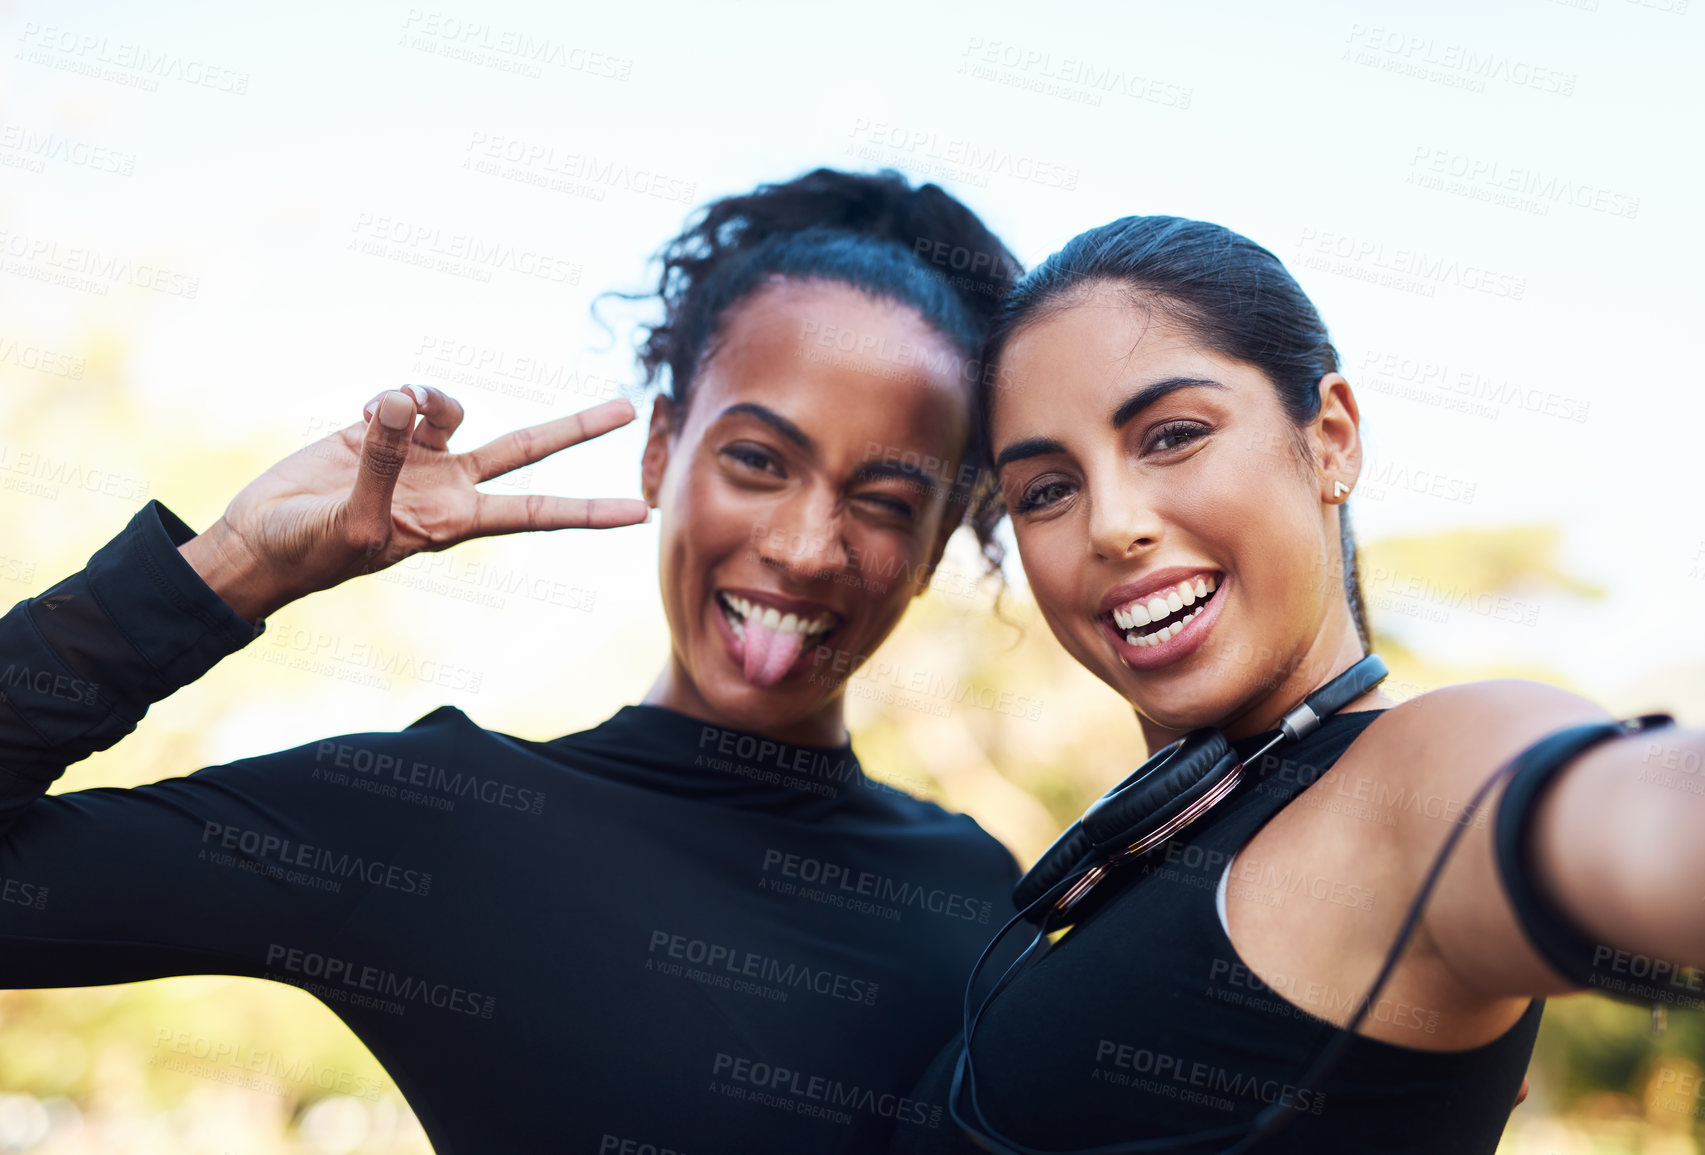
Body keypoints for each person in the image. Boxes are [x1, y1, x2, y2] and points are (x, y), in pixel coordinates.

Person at [0, 168, 1026, 1155]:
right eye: (758, 461)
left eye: (887, 500)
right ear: (663, 445)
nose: (807, 547)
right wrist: (229, 568)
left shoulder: (978, 882)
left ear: (939, 539)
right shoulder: (433, 819)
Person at [889, 215, 1705, 1154]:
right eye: (1045, 488)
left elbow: (1665, 826)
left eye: (1171, 435)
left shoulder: (1418, 777)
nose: (1111, 524)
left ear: (1330, 439)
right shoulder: (1144, 850)